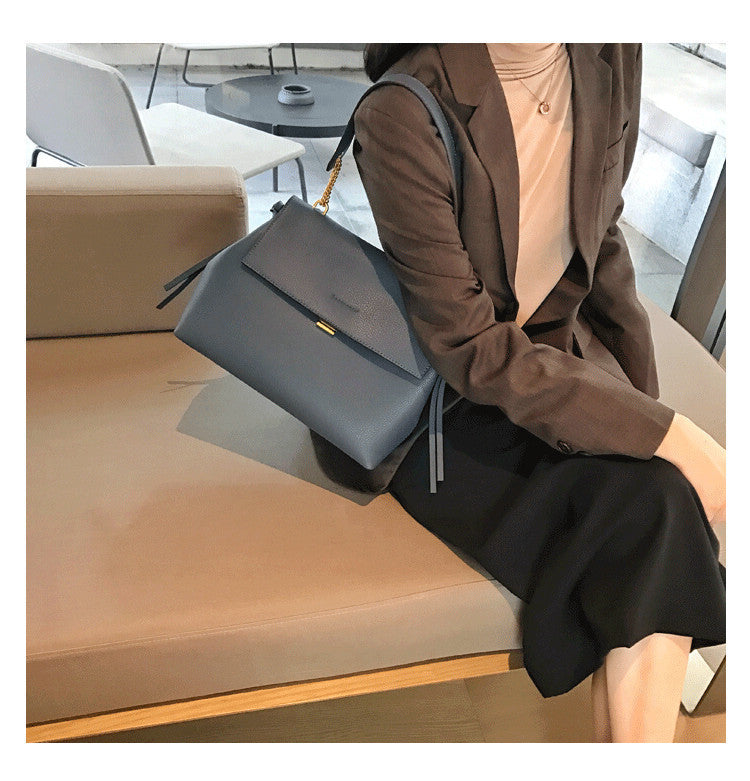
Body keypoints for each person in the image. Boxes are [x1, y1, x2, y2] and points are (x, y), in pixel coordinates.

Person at [314, 43, 726, 742]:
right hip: (437, 407)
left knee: (661, 498)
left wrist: (642, 419)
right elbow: (468, 347)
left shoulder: (609, 51)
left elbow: (603, 240)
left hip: (550, 367)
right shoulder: (403, 110)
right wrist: (668, 436)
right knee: (655, 512)